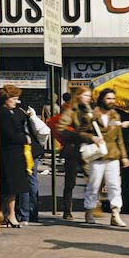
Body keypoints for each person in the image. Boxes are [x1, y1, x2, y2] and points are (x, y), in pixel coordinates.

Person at [83, 88, 129, 226]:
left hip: (113, 155)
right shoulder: (92, 115)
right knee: (94, 185)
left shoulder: (116, 115)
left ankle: (115, 214)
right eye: (109, 98)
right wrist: (93, 137)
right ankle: (89, 211)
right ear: (102, 99)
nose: (112, 101)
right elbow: (82, 132)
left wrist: (124, 156)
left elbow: (119, 138)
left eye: (113, 99)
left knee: (114, 185)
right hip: (97, 154)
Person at [56, 87, 94, 220]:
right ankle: (67, 210)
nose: (88, 98)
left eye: (89, 96)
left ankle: (91, 210)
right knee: (70, 181)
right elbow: (60, 128)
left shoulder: (90, 110)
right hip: (73, 149)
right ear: (78, 96)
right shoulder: (71, 111)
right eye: (86, 96)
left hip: (88, 149)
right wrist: (76, 135)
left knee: (92, 179)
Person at [0, 85, 29, 228]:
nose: (17, 102)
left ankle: (5, 213)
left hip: (16, 153)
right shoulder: (2, 114)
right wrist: (24, 139)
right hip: (9, 153)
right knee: (11, 186)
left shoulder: (15, 112)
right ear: (6, 99)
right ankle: (10, 215)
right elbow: (9, 135)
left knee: (13, 186)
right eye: (14, 99)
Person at [17, 106, 46, 225]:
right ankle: (33, 212)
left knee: (24, 182)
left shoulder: (15, 114)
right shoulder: (26, 113)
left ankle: (24, 215)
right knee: (32, 181)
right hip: (34, 150)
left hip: (25, 150)